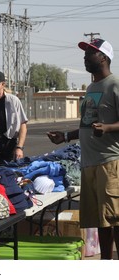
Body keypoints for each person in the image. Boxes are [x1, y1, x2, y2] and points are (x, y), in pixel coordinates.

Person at [47, 38, 119, 259]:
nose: (85, 57)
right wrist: (66, 136)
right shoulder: (91, 88)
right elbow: (88, 124)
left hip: (109, 162)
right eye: (85, 53)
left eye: (90, 53)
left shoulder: (114, 85)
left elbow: (104, 125)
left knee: (115, 219)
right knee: (100, 221)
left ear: (104, 58)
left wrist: (107, 128)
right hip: (88, 164)